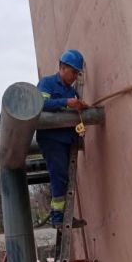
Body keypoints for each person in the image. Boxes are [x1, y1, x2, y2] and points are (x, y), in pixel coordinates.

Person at [36, 49, 88, 229]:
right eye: (73, 72)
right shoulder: (47, 83)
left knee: (65, 179)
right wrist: (65, 102)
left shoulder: (72, 91)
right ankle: (57, 217)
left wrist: (81, 106)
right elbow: (40, 105)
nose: (74, 76)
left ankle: (65, 216)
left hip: (67, 140)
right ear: (63, 67)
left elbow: (77, 108)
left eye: (77, 73)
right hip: (51, 139)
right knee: (59, 176)